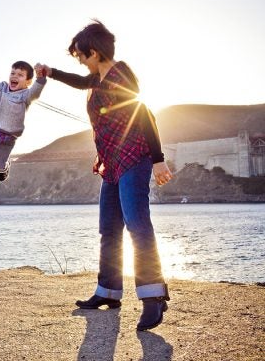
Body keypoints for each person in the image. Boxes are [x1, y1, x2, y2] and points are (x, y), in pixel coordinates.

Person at [37, 20, 174, 331]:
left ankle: (153, 298)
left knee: (137, 225)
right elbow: (80, 81)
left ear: (95, 52)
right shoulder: (97, 79)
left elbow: (144, 113)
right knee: (108, 228)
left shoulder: (121, 74)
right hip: (111, 163)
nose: (81, 62)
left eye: (82, 56)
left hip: (134, 158)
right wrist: (52, 73)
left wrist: (158, 160)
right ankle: (108, 292)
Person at [0, 57, 46, 181]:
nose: (14, 77)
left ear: (28, 82)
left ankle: (5, 167)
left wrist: (40, 78)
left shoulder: (26, 96)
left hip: (9, 136)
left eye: (20, 75)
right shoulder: (1, 88)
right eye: (13, 73)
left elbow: (35, 92)